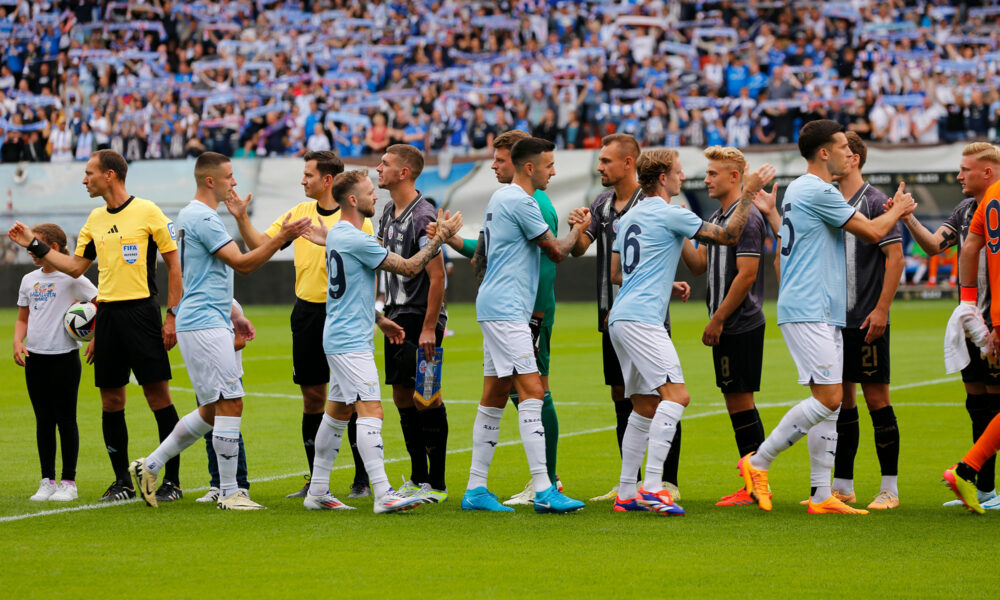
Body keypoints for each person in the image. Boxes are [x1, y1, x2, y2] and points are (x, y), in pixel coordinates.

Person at [741, 119, 914, 515]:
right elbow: (872, 232)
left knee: (831, 403)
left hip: (822, 308)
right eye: (840, 147)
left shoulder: (804, 191)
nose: (846, 154)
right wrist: (900, 209)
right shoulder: (817, 189)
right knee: (830, 398)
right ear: (823, 152)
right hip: (809, 308)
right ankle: (758, 461)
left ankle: (822, 495)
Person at [127, 152, 311, 510]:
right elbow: (243, 265)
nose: (235, 182)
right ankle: (230, 491)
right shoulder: (203, 217)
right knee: (231, 402)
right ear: (210, 181)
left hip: (208, 318)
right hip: (205, 324)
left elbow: (205, 278)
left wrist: (235, 312)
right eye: (229, 176)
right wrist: (283, 237)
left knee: (214, 410)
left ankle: (150, 465)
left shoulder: (195, 216)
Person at [8, 149, 184, 504]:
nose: (84, 179)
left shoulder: (148, 211)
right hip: (108, 317)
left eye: (89, 173)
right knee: (111, 400)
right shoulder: (94, 219)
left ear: (110, 175)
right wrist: (34, 243)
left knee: (157, 397)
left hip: (142, 313)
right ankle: (121, 481)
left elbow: (174, 265)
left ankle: (172, 481)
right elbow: (74, 267)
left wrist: (171, 315)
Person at [606, 149, 774, 515]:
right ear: (664, 178)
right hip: (643, 321)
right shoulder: (671, 213)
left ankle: (625, 492)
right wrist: (749, 192)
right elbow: (729, 235)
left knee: (644, 405)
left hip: (620, 318)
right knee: (677, 396)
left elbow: (618, 274)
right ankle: (652, 488)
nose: (686, 178)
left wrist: (667, 284)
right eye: (679, 173)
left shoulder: (630, 217)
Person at [298, 169, 461, 513]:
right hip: (349, 342)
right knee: (371, 409)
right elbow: (410, 267)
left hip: (343, 334)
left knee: (338, 413)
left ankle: (317, 491)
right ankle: (384, 492)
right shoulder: (354, 238)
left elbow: (349, 291)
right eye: (371, 192)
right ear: (353, 200)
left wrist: (380, 319)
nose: (377, 197)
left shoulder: (339, 235)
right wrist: (440, 239)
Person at [227, 150, 373, 499]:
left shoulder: (355, 217)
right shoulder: (299, 214)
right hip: (307, 313)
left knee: (351, 397)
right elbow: (261, 245)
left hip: (344, 315)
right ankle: (315, 478)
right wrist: (242, 218)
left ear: (327, 180)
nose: (302, 180)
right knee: (312, 397)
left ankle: (362, 479)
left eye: (308, 175)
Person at [461, 136, 587, 514]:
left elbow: (482, 254)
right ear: (530, 168)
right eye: (549, 165)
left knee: (495, 395)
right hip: (506, 310)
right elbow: (557, 251)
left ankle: (475, 489)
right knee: (532, 391)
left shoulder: (500, 199)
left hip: (498, 305)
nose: (553, 172)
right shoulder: (521, 201)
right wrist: (580, 228)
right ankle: (545, 489)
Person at [569, 133, 687, 503]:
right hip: (614, 313)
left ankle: (666, 481)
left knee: (661, 392)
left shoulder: (648, 201)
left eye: (606, 161)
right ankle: (632, 484)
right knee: (628, 397)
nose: (600, 166)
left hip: (644, 316)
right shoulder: (602, 204)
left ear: (629, 163)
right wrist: (576, 226)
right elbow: (579, 250)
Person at [901, 142, 1000, 509]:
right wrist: (907, 216)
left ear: (987, 172)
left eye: (965, 169)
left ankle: (978, 480)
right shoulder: (964, 210)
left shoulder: (995, 205)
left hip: (992, 320)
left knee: (994, 405)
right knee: (977, 404)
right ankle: (983, 489)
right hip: (972, 320)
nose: (958, 175)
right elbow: (932, 246)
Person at [679, 146, 770, 507]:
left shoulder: (746, 219)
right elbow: (700, 265)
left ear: (735, 177)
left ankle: (756, 484)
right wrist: (680, 230)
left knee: (741, 401)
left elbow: (747, 275)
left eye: (713, 173)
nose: (706, 179)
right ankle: (752, 482)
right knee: (735, 401)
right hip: (728, 324)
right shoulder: (720, 216)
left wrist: (718, 319)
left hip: (739, 322)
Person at [827, 132, 904, 510]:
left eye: (838, 153)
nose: (829, 160)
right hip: (835, 323)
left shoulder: (875, 202)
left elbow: (896, 259)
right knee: (842, 401)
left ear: (853, 158)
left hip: (867, 319)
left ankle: (889, 488)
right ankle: (843, 485)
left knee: (877, 399)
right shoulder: (828, 200)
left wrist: (882, 309)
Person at [375, 144, 450, 502]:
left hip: (419, 317)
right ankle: (418, 477)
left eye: (385, 164)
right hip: (395, 315)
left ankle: (437, 483)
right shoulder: (388, 210)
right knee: (402, 395)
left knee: (427, 397)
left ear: (404, 173)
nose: (378, 168)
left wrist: (428, 328)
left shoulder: (423, 216)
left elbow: (437, 277)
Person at [14, 223, 97, 502]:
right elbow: (23, 318)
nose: (31, 250)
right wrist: (17, 342)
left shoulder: (73, 277)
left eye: (35, 244)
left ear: (56, 247)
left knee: (65, 419)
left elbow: (101, 303)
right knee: (43, 421)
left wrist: (96, 336)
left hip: (64, 358)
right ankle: (47, 480)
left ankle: (68, 482)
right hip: (35, 359)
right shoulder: (28, 280)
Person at [944, 173, 1000, 514]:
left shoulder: (989, 200)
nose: (959, 175)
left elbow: (969, 248)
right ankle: (969, 470)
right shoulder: (972, 205)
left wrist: (967, 304)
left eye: (966, 168)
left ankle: (969, 470)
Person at [194, 299, 255, 503]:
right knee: (210, 433)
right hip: (205, 378)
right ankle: (217, 485)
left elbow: (239, 341)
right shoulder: (199, 301)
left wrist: (206, 350)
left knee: (230, 433)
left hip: (226, 377)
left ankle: (240, 485)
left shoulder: (229, 303)